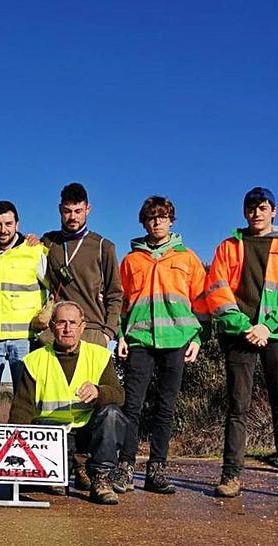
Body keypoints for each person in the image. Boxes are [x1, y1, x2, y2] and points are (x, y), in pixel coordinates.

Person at [204, 187, 278, 501]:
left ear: (274, 211)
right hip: (239, 335)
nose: (257, 213)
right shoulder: (228, 247)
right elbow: (216, 290)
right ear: (245, 212)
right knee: (237, 407)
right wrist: (245, 327)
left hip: (277, 335)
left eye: (263, 207)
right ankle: (231, 477)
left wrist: (267, 326)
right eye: (251, 208)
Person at [115, 196, 207, 495]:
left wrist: (196, 338)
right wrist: (121, 335)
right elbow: (121, 304)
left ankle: (156, 470)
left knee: (165, 409)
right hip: (140, 340)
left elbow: (201, 302)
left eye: (162, 216)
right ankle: (125, 467)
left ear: (171, 221)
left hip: (177, 340)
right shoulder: (130, 260)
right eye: (151, 217)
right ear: (144, 222)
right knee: (132, 406)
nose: (157, 222)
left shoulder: (187, 258)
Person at [40, 182, 124, 490]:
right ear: (59, 210)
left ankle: (91, 466)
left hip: (91, 331)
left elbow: (115, 293)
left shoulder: (103, 246)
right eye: (67, 211)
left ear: (88, 209)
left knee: (95, 401)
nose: (72, 216)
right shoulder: (48, 242)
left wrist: (109, 331)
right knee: (57, 400)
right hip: (56, 331)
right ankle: (64, 463)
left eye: (78, 210)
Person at [9, 301, 127, 505]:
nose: (67, 328)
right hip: (53, 436)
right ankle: (66, 472)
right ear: (52, 326)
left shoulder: (99, 355)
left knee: (112, 414)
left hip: (88, 433)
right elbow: (22, 409)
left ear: (82, 326)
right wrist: (14, 460)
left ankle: (101, 479)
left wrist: (99, 392)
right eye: (61, 322)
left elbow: (119, 395)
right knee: (55, 488)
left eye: (73, 323)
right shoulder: (34, 360)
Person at [0, 200, 48, 423]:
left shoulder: (35, 252)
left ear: (17, 224)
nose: (3, 230)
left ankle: (24, 451)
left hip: (24, 340)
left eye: (8, 224)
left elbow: (58, 287)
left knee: (26, 400)